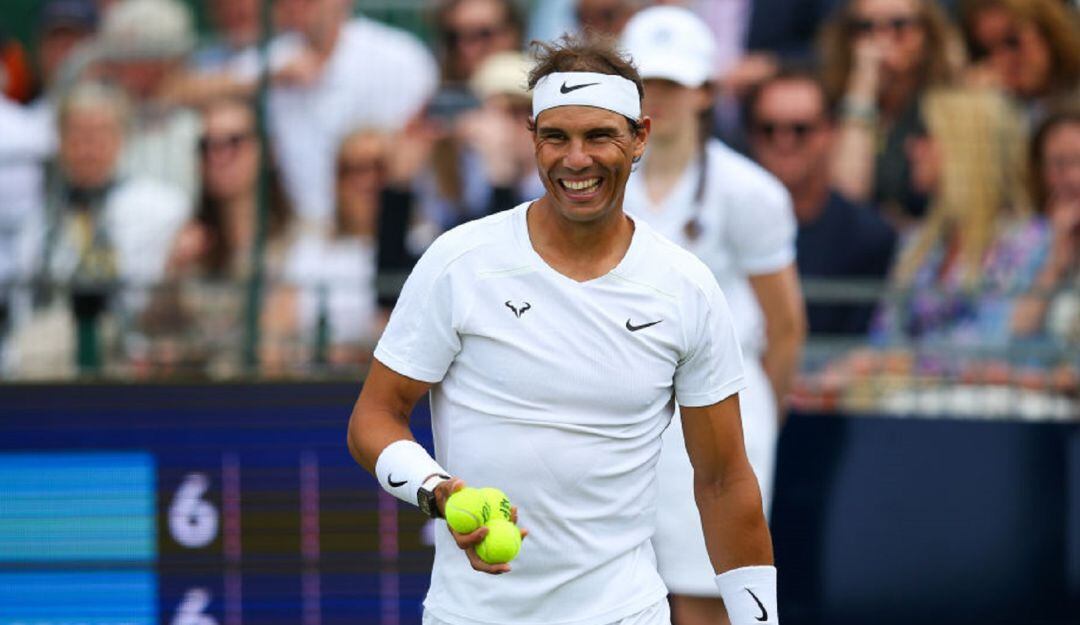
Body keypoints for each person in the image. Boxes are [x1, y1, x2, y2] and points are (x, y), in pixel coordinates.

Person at [347, 35, 777, 625]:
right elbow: (372, 418)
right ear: (533, 140)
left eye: (599, 136)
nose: (576, 159)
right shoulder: (459, 262)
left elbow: (725, 481)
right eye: (556, 137)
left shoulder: (686, 287)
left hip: (625, 612)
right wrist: (440, 492)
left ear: (640, 138)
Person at [618, 8, 803, 625]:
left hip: (717, 410)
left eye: (676, 83)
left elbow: (785, 326)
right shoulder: (589, 183)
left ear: (705, 92)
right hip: (614, 411)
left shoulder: (751, 193)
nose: (662, 99)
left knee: (707, 597)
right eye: (650, 86)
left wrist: (747, 412)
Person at [10, 81, 188, 377]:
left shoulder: (164, 208)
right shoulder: (35, 218)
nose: (87, 146)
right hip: (46, 359)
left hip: (137, 354)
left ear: (124, 138)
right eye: (76, 133)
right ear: (60, 141)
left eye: (100, 133)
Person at [872, 88, 1044, 348]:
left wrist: (904, 364)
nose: (911, 147)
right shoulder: (917, 242)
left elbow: (996, 346)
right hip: (901, 387)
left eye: (925, 136)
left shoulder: (1026, 242)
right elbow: (883, 336)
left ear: (963, 147)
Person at [145, 97, 292, 376]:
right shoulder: (189, 239)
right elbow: (153, 331)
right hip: (197, 398)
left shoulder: (294, 239)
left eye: (234, 142)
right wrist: (174, 270)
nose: (218, 155)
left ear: (267, 151)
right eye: (206, 145)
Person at [747, 68, 897, 336]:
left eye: (800, 130)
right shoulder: (723, 223)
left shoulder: (870, 237)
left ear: (830, 132)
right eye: (768, 129)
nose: (784, 142)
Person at [267, 0, 438, 222]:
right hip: (310, 231)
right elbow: (209, 84)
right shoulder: (276, 56)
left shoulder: (401, 56)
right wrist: (269, 78)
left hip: (391, 221)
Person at [820, 0, 960, 227]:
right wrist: (863, 86)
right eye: (865, 27)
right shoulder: (830, 105)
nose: (881, 38)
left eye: (899, 25)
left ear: (927, 34)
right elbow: (846, 198)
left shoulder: (950, 108)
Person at [95, 0, 201, 202]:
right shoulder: (105, 110)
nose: (119, 64)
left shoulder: (197, 116)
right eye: (118, 51)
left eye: (132, 52)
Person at [1012, 104, 1080, 345]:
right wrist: (1056, 262)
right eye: (1058, 164)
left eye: (1078, 160)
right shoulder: (1030, 238)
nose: (1072, 176)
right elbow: (1016, 333)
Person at [959, 0, 1080, 121]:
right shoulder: (999, 105)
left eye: (1012, 41)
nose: (1001, 62)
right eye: (984, 53)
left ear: (1048, 33)